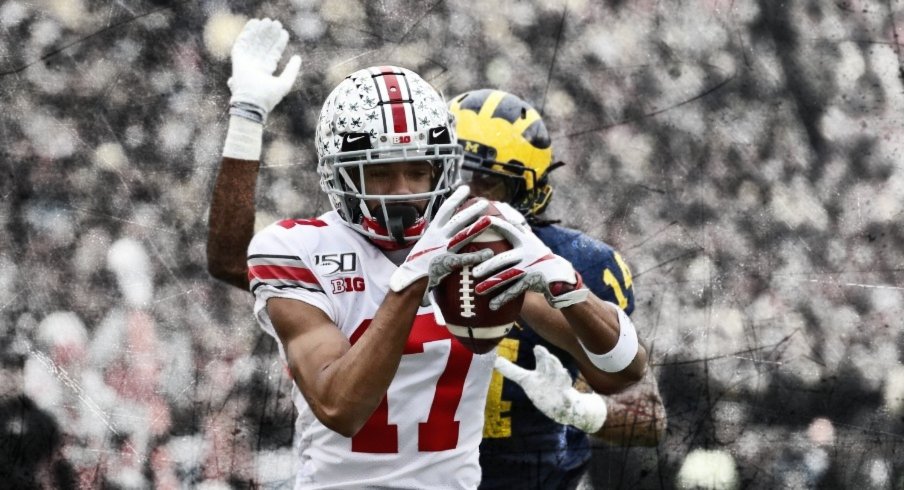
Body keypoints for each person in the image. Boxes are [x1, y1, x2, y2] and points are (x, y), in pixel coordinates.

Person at [208, 18, 648, 489]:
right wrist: (413, 280)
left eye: (417, 171)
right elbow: (342, 407)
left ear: (442, 169)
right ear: (339, 176)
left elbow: (623, 371)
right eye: (379, 173)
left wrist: (569, 288)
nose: (402, 192)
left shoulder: (479, 239)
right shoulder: (299, 247)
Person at [448, 89, 667, 489]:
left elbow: (648, 416)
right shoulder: (399, 253)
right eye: (452, 179)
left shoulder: (576, 265)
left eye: (487, 184)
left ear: (529, 192)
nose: (465, 200)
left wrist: (578, 409)